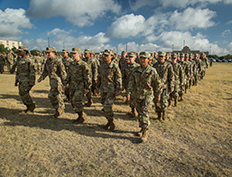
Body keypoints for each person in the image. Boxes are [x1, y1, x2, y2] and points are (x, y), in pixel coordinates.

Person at [128, 51, 162, 142]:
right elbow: (131, 82)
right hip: (137, 95)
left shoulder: (152, 71)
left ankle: (145, 132)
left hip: (148, 95)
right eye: (141, 58)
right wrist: (129, 93)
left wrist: (158, 95)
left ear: (148, 60)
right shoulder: (135, 70)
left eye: (144, 58)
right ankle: (142, 128)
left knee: (144, 113)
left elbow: (158, 84)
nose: (142, 60)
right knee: (140, 113)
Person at [96, 49, 122, 131]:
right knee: (104, 105)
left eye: (107, 55)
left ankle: (111, 121)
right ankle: (108, 121)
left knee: (107, 106)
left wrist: (118, 89)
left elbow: (118, 78)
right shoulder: (102, 65)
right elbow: (99, 77)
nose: (105, 57)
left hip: (111, 89)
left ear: (112, 56)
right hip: (103, 89)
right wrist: (97, 87)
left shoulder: (114, 66)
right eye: (104, 55)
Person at [64, 48, 91, 123]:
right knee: (72, 102)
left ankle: (81, 116)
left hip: (80, 85)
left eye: (75, 54)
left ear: (79, 54)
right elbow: (68, 75)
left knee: (76, 100)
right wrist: (65, 84)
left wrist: (87, 87)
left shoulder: (83, 64)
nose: (73, 55)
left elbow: (87, 77)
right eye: (72, 54)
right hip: (72, 85)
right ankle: (80, 114)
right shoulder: (71, 64)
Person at [37, 47, 67, 118]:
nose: (47, 54)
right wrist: (41, 78)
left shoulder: (58, 61)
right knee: (54, 96)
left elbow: (63, 72)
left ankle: (60, 109)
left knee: (55, 95)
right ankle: (59, 108)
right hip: (51, 81)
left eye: (49, 53)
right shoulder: (48, 61)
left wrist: (65, 82)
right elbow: (45, 71)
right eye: (47, 53)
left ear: (53, 52)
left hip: (57, 81)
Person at [153, 51, 174, 121]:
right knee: (157, 102)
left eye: (162, 56)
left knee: (164, 101)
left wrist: (171, 86)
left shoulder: (168, 65)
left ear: (165, 57)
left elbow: (171, 77)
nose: (161, 58)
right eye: (160, 56)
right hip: (156, 87)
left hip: (165, 87)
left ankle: (164, 112)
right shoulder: (155, 66)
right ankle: (158, 115)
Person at [15, 46, 36, 113]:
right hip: (21, 79)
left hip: (27, 80)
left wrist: (31, 82)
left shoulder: (29, 60)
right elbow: (18, 71)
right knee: (21, 93)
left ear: (25, 51)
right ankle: (28, 106)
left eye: (20, 51)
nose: (18, 52)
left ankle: (31, 106)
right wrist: (16, 80)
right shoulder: (19, 60)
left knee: (24, 93)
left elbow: (32, 72)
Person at [122, 51, 140, 116]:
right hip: (128, 85)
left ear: (135, 57)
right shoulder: (126, 66)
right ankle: (133, 111)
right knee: (130, 99)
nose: (130, 58)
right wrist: (123, 85)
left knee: (137, 99)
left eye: (132, 57)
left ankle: (138, 112)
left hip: (136, 85)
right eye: (129, 57)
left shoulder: (138, 66)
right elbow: (123, 76)